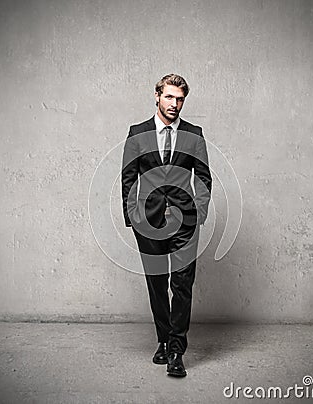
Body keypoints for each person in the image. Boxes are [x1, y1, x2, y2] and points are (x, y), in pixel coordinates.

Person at [121, 74, 212, 377]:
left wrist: (198, 212)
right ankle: (162, 339)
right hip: (147, 222)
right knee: (157, 284)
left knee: (182, 283)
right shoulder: (137, 133)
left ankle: (176, 349)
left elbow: (203, 177)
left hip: (185, 221)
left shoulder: (194, 134)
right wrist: (132, 216)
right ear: (157, 96)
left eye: (181, 99)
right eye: (170, 97)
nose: (175, 104)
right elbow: (128, 177)